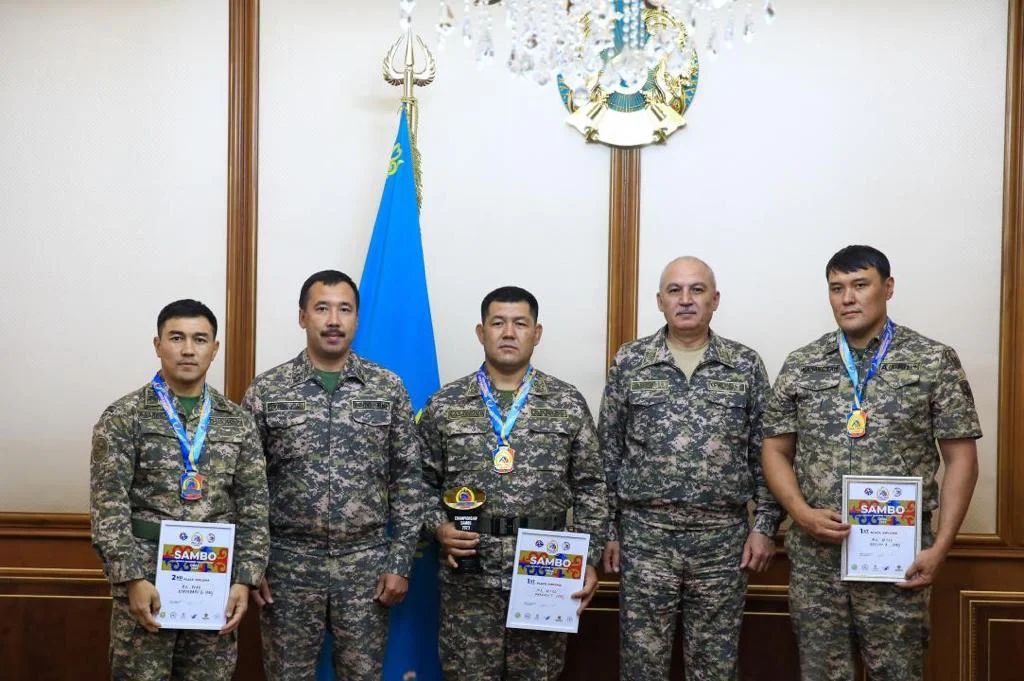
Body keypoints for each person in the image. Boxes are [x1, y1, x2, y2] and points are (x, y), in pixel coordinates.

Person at [761, 244, 981, 680]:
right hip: (818, 560)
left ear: (888, 287)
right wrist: (800, 513)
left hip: (899, 560)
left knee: (897, 672)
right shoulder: (803, 364)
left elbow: (961, 459)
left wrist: (940, 547)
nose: (848, 298)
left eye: (860, 285)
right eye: (836, 288)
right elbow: (775, 450)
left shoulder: (933, 360)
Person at [599, 256, 782, 681]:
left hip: (722, 540)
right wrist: (608, 531)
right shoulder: (631, 361)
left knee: (715, 667)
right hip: (645, 537)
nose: (686, 300)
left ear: (714, 300)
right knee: (641, 666)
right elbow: (607, 452)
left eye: (697, 290)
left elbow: (768, 452)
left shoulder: (744, 364)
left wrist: (765, 526)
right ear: (659, 300)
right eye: (675, 290)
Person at [418, 285, 608, 681]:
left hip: (546, 572)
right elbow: (417, 484)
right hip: (470, 576)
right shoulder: (445, 404)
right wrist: (439, 527)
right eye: (498, 323)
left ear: (536, 333)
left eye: (520, 323)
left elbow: (592, 487)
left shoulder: (567, 402)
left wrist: (589, 560)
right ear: (480, 332)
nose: (508, 333)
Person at [241, 269, 423, 681]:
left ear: (357, 318)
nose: (334, 321)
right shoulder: (267, 390)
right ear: (302, 317)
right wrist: (252, 566)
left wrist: (400, 563)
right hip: (287, 567)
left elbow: (409, 481)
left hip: (366, 568)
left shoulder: (387, 388)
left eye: (345, 309)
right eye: (322, 308)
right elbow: (246, 487)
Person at [90, 299, 269, 681]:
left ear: (214, 349)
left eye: (199, 339)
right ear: (158, 345)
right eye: (176, 338)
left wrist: (244, 579)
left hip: (214, 583)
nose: (188, 349)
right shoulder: (123, 417)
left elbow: (254, 507)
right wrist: (131, 579)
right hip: (145, 583)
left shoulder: (238, 422)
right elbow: (108, 508)